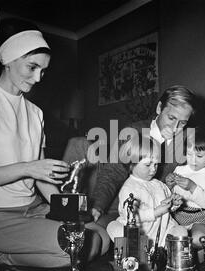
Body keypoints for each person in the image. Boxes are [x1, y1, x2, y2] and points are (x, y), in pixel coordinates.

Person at [0, 19, 74, 268]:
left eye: (43, 70)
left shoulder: (36, 113)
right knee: (73, 246)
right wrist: (26, 168)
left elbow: (41, 175)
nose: (38, 78)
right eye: (32, 67)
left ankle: (7, 255)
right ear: (8, 60)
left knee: (100, 238)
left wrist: (68, 211)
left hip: (33, 207)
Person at [63, 85, 197, 258]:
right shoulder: (132, 132)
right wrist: (98, 206)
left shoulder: (185, 143)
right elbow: (112, 174)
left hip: (156, 212)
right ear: (159, 108)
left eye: (183, 123)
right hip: (118, 207)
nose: (175, 127)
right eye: (171, 118)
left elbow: (200, 177)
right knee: (91, 238)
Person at [106, 135, 185, 247]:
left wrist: (173, 203)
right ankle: (136, 254)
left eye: (156, 164)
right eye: (148, 165)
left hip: (162, 233)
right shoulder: (129, 188)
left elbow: (168, 203)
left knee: (181, 231)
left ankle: (168, 255)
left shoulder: (158, 184)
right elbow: (131, 216)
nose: (153, 169)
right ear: (131, 164)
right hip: (138, 234)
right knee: (113, 226)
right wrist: (155, 212)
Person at [165, 127, 205, 253]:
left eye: (199, 156)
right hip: (179, 215)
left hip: (202, 216)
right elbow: (170, 197)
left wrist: (192, 187)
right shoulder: (180, 170)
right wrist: (169, 186)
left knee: (197, 239)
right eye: (189, 154)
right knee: (175, 240)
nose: (193, 160)